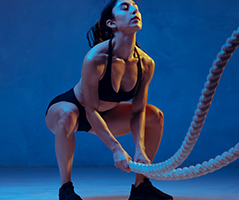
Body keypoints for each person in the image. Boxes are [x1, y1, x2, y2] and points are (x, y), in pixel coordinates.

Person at [44, 0, 172, 199]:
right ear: (112, 23)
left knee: (155, 115)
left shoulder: (146, 64)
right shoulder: (96, 58)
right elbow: (90, 110)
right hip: (75, 109)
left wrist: (140, 149)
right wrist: (116, 148)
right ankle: (66, 189)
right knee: (68, 114)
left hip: (106, 116)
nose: (134, 10)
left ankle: (141, 187)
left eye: (135, 7)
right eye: (125, 7)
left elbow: (138, 111)